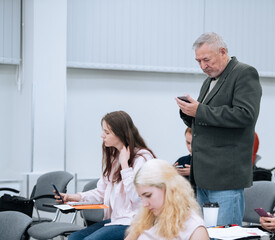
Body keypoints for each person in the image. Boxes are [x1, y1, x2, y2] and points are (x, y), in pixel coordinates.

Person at [175, 32, 262, 226]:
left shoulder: (244, 73)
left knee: (224, 236)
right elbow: (206, 120)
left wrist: (200, 111)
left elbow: (245, 115)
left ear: (222, 52)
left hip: (225, 176)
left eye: (206, 59)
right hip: (203, 175)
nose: (203, 66)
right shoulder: (209, 81)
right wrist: (188, 112)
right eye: (198, 61)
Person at [55, 110, 155, 240]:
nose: (102, 136)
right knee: (74, 238)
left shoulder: (143, 158)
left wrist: (125, 166)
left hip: (134, 221)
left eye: (107, 132)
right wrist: (74, 197)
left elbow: (138, 198)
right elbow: (101, 191)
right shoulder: (115, 159)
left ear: (121, 134)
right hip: (116, 220)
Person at [124, 159, 209, 240]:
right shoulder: (145, 219)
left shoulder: (194, 228)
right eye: (141, 198)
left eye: (148, 195)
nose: (144, 204)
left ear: (168, 189)